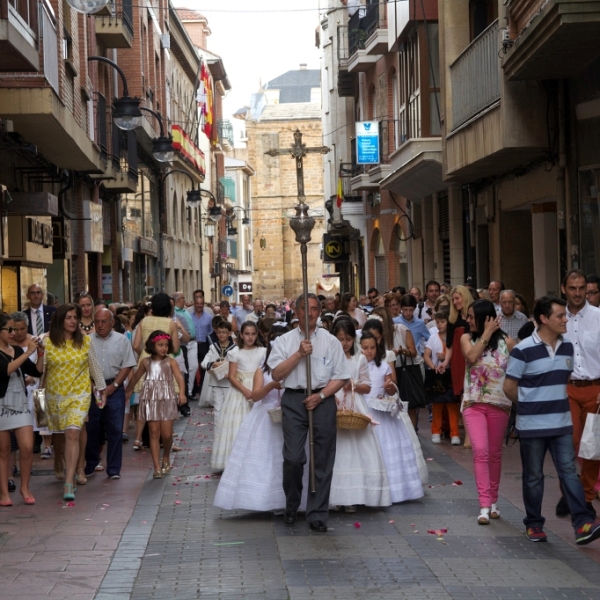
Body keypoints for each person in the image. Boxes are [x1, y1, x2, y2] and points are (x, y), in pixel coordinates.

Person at [503, 296, 600, 545]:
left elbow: (561, 381)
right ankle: (534, 524)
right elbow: (509, 387)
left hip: (561, 425)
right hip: (532, 426)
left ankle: (583, 523)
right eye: (560, 316)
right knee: (533, 476)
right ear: (544, 319)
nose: (565, 319)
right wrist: (529, 406)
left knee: (569, 473)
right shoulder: (523, 350)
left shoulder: (567, 346)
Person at [269, 293, 349, 533]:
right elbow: (276, 374)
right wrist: (298, 354)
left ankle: (317, 513)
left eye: (315, 308)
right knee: (293, 457)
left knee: (322, 457)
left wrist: (322, 395)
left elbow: (342, 376)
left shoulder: (330, 341)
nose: (311, 313)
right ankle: (292, 505)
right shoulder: (284, 341)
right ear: (296, 311)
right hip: (294, 399)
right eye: (306, 309)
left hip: (322, 399)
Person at [213, 328, 289, 511]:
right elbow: (256, 396)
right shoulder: (262, 371)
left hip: (288, 416)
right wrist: (271, 385)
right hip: (265, 417)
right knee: (266, 459)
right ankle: (266, 499)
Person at [44, 303, 106, 501]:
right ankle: (59, 461)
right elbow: (41, 371)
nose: (73, 321)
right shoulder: (47, 342)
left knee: (72, 432)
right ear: (60, 320)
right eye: (68, 317)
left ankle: (69, 481)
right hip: (55, 395)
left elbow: (95, 367)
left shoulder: (86, 342)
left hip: (79, 395)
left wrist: (101, 389)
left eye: (75, 317)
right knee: (60, 434)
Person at [461, 300, 516, 524]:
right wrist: (486, 333)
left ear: (484, 317)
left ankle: (493, 502)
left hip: (500, 404)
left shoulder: (508, 342)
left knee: (494, 454)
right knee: (481, 451)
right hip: (473, 404)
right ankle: (484, 504)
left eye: (472, 316)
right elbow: (472, 357)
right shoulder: (467, 338)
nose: (468, 320)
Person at [330, 320, 391, 511]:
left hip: (355, 404)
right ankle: (335, 497)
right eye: (340, 339)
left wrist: (352, 386)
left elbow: (367, 386)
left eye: (348, 339)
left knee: (357, 449)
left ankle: (354, 496)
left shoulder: (359, 359)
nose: (344, 343)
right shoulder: (330, 358)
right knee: (337, 451)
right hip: (336, 402)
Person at [555, 270, 600, 516]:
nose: (577, 292)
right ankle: (568, 492)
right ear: (564, 289)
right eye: (572, 288)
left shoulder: (598, 317)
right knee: (567, 443)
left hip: (595, 389)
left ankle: (585, 497)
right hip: (566, 389)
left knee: (593, 447)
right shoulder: (556, 318)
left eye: (582, 288)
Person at [361, 331, 424, 504]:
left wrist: (388, 387)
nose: (369, 351)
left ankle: (394, 489)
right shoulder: (357, 366)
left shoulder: (383, 366)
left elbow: (390, 388)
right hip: (363, 410)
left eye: (372, 347)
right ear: (359, 348)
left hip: (380, 410)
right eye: (365, 348)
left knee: (387, 448)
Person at [126, 331, 186, 478]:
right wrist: (128, 390)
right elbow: (135, 377)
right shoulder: (145, 362)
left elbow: (179, 378)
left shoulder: (171, 362)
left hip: (167, 398)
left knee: (166, 434)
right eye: (160, 345)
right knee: (154, 432)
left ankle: (166, 455)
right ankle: (156, 467)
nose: (163, 348)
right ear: (153, 345)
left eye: (166, 345)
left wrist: (182, 393)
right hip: (150, 399)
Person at [85, 309, 136, 480]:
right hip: (94, 388)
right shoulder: (87, 341)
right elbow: (83, 367)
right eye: (97, 321)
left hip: (114, 387)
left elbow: (127, 365)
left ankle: (114, 469)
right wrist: (95, 388)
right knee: (92, 427)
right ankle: (91, 463)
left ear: (111, 322)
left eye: (104, 321)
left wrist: (114, 386)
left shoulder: (122, 340)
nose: (100, 325)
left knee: (115, 428)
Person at [210, 322, 266, 471]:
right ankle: (235, 460)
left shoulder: (263, 351)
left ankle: (255, 458)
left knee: (258, 424)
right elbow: (232, 376)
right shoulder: (235, 352)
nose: (250, 337)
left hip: (258, 386)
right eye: (247, 334)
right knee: (237, 424)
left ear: (257, 334)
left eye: (253, 334)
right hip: (240, 391)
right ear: (241, 335)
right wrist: (244, 390)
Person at [0, 313, 43, 505]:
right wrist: (27, 352)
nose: (13, 333)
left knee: (27, 446)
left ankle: (25, 487)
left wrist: (40, 353)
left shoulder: (16, 350)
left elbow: (36, 371)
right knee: (4, 450)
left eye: (15, 329)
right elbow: (5, 370)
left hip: (20, 403)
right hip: (1, 404)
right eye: (9, 329)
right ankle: (4, 494)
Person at [131, 293, 183, 450]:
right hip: (164, 364)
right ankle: (164, 438)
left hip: (147, 363)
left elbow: (135, 345)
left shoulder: (144, 321)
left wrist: (145, 356)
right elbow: (175, 347)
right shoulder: (171, 323)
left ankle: (148, 439)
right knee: (165, 403)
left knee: (147, 402)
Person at [10, 312, 52, 458]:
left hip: (36, 385)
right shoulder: (9, 344)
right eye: (16, 329)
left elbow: (43, 363)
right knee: (23, 424)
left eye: (22, 328)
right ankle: (22, 455)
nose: (20, 332)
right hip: (17, 388)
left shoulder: (35, 341)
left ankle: (47, 446)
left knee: (40, 417)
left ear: (27, 326)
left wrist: (33, 378)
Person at [424, 308, 460, 445]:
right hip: (437, 374)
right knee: (437, 404)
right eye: (437, 322)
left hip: (450, 373)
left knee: (452, 404)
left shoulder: (453, 338)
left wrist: (447, 358)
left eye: (442, 322)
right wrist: (433, 367)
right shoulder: (433, 338)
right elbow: (426, 355)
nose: (439, 324)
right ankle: (436, 431)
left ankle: (454, 432)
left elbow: (456, 355)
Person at [200, 320, 236, 441]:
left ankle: (229, 436)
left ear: (230, 333)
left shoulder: (235, 349)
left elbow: (239, 365)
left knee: (230, 410)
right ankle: (218, 437)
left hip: (230, 384)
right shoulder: (213, 347)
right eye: (219, 332)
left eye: (224, 332)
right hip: (216, 383)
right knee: (218, 410)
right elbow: (204, 363)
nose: (221, 335)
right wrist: (213, 364)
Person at [189, 290, 213, 399]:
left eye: (201, 304)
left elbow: (211, 332)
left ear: (203, 304)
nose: (199, 306)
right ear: (194, 304)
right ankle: (192, 391)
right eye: (197, 304)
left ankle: (202, 391)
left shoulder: (209, 317)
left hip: (204, 344)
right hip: (193, 344)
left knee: (204, 368)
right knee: (192, 368)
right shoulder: (189, 316)